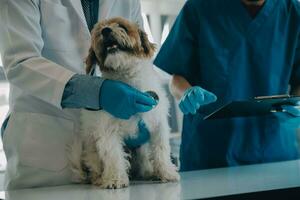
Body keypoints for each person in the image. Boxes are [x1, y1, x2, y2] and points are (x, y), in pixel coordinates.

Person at [0, 0, 156, 189]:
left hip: (110, 151)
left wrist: (147, 114)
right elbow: (20, 61)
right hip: (46, 146)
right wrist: (95, 91)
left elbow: (138, 55)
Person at [154, 0, 300, 171]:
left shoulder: (292, 11)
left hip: (275, 152)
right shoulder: (200, 7)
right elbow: (177, 77)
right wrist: (186, 93)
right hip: (211, 154)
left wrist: (297, 104)